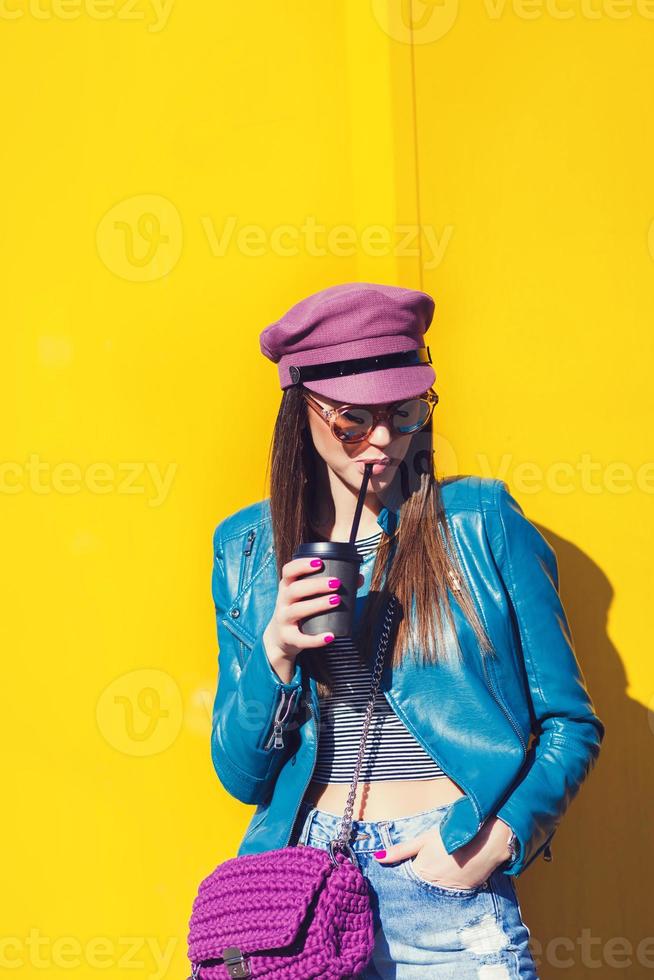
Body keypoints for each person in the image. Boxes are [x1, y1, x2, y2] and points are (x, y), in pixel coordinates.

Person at [209, 282, 605, 979]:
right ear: (301, 408)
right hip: (303, 889)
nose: (385, 441)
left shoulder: (479, 523)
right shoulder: (246, 547)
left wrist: (492, 845)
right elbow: (242, 775)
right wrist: (273, 656)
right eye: (354, 420)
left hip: (441, 873)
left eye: (406, 412)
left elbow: (570, 722)